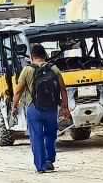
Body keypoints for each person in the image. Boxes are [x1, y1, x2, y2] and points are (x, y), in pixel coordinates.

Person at [10, 44, 70, 173]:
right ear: (45, 56)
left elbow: (18, 91)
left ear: (32, 57)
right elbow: (63, 89)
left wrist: (14, 106)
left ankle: (40, 166)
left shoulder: (27, 70)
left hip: (34, 108)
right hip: (51, 108)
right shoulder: (54, 69)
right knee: (50, 134)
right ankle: (49, 160)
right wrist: (65, 107)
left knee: (36, 137)